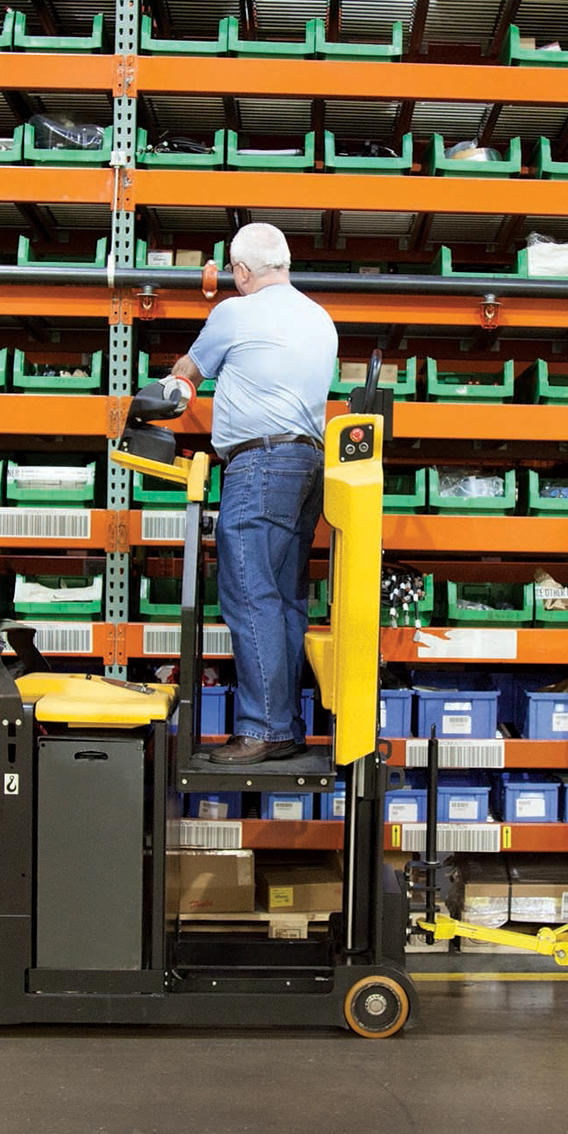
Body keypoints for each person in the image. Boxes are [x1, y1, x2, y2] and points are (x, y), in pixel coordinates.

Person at [166, 223, 337, 765]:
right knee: (284, 600)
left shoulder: (234, 313)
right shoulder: (320, 317)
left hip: (259, 466)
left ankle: (263, 729)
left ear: (240, 271)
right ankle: (284, 727)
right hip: (309, 464)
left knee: (249, 595)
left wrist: (166, 393)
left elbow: (186, 376)